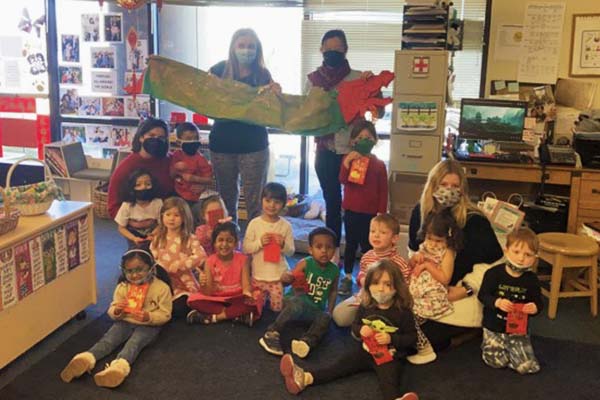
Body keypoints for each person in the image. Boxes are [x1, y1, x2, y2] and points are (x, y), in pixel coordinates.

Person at [279, 260, 418, 400]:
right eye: (376, 283)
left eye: (388, 284)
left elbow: (412, 338)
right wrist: (361, 330)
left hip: (390, 356)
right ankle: (305, 378)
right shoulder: (366, 305)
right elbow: (355, 326)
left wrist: (391, 338)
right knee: (340, 364)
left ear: (397, 287)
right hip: (366, 350)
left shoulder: (403, 312)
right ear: (368, 284)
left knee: (389, 378)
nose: (381, 289)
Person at [408, 159, 503, 351]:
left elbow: (494, 264)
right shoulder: (420, 213)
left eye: (454, 186)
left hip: (460, 291)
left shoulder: (474, 220)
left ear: (462, 190)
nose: (448, 190)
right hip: (428, 287)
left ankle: (464, 336)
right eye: (443, 185)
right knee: (401, 325)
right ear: (432, 185)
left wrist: (467, 289)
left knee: (421, 337)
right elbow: (413, 250)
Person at [306, 29, 382, 265]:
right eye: (328, 50)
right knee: (331, 200)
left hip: (352, 152)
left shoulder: (359, 78)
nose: (332, 54)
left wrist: (374, 88)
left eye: (337, 50)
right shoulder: (313, 80)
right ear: (321, 50)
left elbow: (379, 110)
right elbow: (305, 111)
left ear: (346, 51)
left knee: (354, 204)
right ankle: (332, 252)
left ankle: (360, 254)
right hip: (325, 150)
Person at [60, 249, 172, 388]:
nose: (135, 275)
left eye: (140, 270)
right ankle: (86, 358)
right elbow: (112, 309)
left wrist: (149, 317)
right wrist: (117, 311)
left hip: (149, 326)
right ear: (123, 271)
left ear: (151, 268)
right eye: (129, 271)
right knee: (109, 340)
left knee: (134, 343)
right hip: (125, 321)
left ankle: (119, 367)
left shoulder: (161, 288)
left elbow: (166, 314)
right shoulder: (123, 287)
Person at [208, 28, 281, 223]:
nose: (246, 50)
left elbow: (271, 108)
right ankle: (228, 244)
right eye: (241, 45)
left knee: (255, 201)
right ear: (233, 47)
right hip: (222, 144)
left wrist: (276, 93)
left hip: (254, 145)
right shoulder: (219, 70)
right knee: (226, 199)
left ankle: (255, 245)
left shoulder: (262, 74)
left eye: (251, 47)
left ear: (258, 50)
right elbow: (198, 90)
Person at [259, 227, 338, 358]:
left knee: (325, 318)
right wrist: (285, 278)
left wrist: (330, 310)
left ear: (334, 250)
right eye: (319, 247)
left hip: (313, 309)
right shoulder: (305, 263)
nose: (324, 251)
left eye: (329, 247)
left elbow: (334, 291)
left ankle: (306, 342)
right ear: (310, 250)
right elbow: (289, 279)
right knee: (297, 302)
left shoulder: (334, 270)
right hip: (294, 303)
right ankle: (272, 332)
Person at [478, 227, 543, 374]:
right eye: (516, 252)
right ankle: (490, 346)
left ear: (535, 258)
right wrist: (497, 302)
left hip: (518, 330)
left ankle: (513, 350)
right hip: (494, 326)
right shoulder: (493, 274)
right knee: (497, 362)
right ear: (506, 250)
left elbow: (538, 302)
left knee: (527, 367)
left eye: (528, 255)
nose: (521, 258)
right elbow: (483, 295)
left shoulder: (532, 280)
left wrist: (534, 308)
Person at [332, 213, 410, 327]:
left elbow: (405, 287)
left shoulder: (400, 263)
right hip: (365, 298)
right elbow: (361, 273)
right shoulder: (366, 256)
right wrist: (362, 279)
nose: (376, 236)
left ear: (394, 238)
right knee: (339, 316)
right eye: (372, 231)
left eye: (383, 232)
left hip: (389, 304)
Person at [338, 119, 389, 295]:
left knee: (368, 246)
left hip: (370, 213)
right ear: (352, 141)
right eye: (359, 137)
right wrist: (347, 163)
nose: (364, 140)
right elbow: (342, 180)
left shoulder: (379, 164)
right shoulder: (348, 159)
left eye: (368, 137)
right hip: (351, 210)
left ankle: (369, 275)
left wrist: (381, 213)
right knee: (350, 244)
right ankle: (347, 276)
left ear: (375, 140)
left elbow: (384, 190)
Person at [407, 209, 464, 365]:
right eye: (429, 238)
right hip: (414, 289)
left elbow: (445, 278)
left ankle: (425, 349)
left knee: (411, 318)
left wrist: (427, 265)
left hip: (432, 294)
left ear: (449, 238)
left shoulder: (448, 252)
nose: (432, 244)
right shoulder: (425, 245)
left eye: (438, 240)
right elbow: (410, 266)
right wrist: (414, 260)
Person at [186, 221, 260, 326]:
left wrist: (248, 297)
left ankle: (214, 317)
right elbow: (208, 292)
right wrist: (203, 284)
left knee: (258, 298)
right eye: (220, 240)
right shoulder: (209, 261)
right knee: (193, 300)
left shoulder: (243, 259)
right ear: (214, 243)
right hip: (217, 299)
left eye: (229, 241)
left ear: (236, 243)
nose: (224, 244)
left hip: (237, 298)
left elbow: (246, 286)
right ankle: (236, 315)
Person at [151, 197, 206, 319]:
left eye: (176, 215)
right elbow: (152, 258)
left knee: (180, 306)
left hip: (184, 283)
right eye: (168, 214)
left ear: (184, 218)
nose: (171, 218)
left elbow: (201, 256)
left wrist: (182, 263)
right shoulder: (157, 239)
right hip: (163, 282)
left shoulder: (190, 238)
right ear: (162, 216)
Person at [242, 182, 294, 312]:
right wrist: (259, 243)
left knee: (276, 310)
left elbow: (291, 252)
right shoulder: (254, 224)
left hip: (277, 277)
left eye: (276, 202)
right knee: (254, 307)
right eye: (268, 200)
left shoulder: (286, 226)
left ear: (283, 204)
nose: (271, 205)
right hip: (258, 276)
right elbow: (246, 248)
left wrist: (283, 245)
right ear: (261, 201)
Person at [108, 117, 174, 219]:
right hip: (136, 220)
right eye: (151, 135)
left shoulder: (169, 160)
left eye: (161, 138)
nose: (156, 140)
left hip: (165, 218)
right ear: (141, 137)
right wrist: (131, 223)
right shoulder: (128, 166)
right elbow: (113, 205)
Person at [170, 122, 214, 211]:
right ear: (179, 142)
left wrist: (194, 178)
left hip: (194, 197)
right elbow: (171, 175)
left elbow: (209, 180)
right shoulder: (176, 155)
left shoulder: (201, 159)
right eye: (189, 139)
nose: (193, 141)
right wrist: (176, 168)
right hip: (177, 194)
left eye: (196, 138)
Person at [114, 169, 163, 248]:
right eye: (138, 185)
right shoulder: (127, 205)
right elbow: (121, 228)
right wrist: (133, 238)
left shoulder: (158, 203)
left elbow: (162, 225)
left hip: (153, 235)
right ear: (131, 189)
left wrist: (153, 235)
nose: (144, 187)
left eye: (148, 184)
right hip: (133, 235)